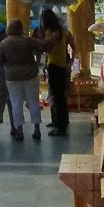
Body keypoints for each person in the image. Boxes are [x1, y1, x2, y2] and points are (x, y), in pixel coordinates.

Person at [0, 20, 42, 142]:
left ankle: (20, 131)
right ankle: (37, 129)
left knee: (16, 103)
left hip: (12, 76)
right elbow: (43, 46)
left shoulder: (4, 43)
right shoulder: (28, 40)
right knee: (33, 101)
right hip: (30, 73)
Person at [38, 7, 72, 135]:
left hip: (54, 65)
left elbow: (47, 48)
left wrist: (45, 40)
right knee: (59, 94)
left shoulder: (50, 32)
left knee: (57, 96)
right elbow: (73, 46)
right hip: (61, 65)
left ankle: (60, 125)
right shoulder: (64, 32)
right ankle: (60, 120)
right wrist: (70, 62)